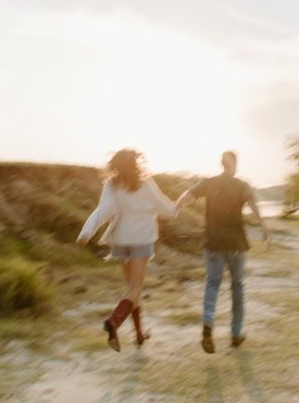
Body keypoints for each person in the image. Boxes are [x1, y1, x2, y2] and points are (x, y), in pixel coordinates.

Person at [76, 149, 177, 352]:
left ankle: (139, 335)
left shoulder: (112, 185)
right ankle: (113, 321)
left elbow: (102, 211)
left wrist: (87, 231)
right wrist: (178, 206)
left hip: (120, 241)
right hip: (141, 240)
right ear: (137, 163)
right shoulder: (147, 184)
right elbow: (167, 210)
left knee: (131, 290)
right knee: (134, 289)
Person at [176, 150, 270, 353]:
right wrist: (264, 228)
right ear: (234, 165)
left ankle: (208, 323)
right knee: (237, 286)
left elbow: (187, 196)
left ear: (221, 164)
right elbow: (254, 206)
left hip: (213, 243)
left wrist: (177, 207)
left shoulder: (208, 183)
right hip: (236, 244)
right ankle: (236, 334)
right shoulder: (242, 185)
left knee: (212, 283)